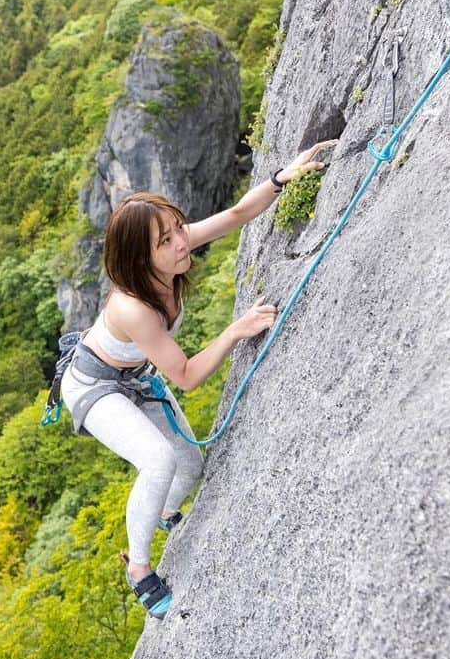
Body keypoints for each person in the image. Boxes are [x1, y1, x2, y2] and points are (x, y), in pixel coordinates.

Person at [61, 139, 338, 619]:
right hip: (94, 386)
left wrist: (279, 179)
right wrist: (236, 330)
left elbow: (234, 215)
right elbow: (187, 376)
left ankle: (164, 512)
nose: (180, 244)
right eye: (164, 242)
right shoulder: (134, 307)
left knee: (188, 467)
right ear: (138, 258)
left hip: (134, 375)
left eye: (176, 231)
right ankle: (140, 569)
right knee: (157, 459)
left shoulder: (171, 249)